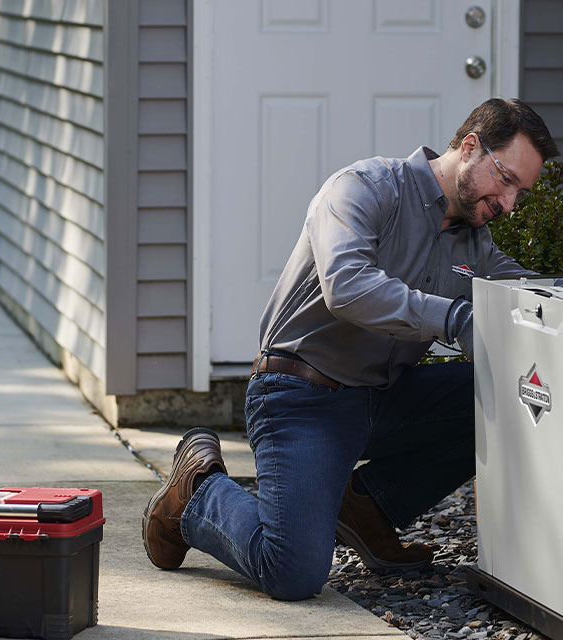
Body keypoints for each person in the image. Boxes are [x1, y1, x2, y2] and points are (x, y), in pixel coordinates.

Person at [142, 98, 560, 600]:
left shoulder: (474, 245)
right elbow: (349, 285)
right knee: (293, 573)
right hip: (301, 397)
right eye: (506, 179)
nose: (510, 203)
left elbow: (533, 296)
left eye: (521, 191)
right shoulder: (364, 188)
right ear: (470, 147)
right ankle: (196, 494)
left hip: (384, 397)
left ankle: (368, 508)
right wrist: (452, 317)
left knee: (502, 392)